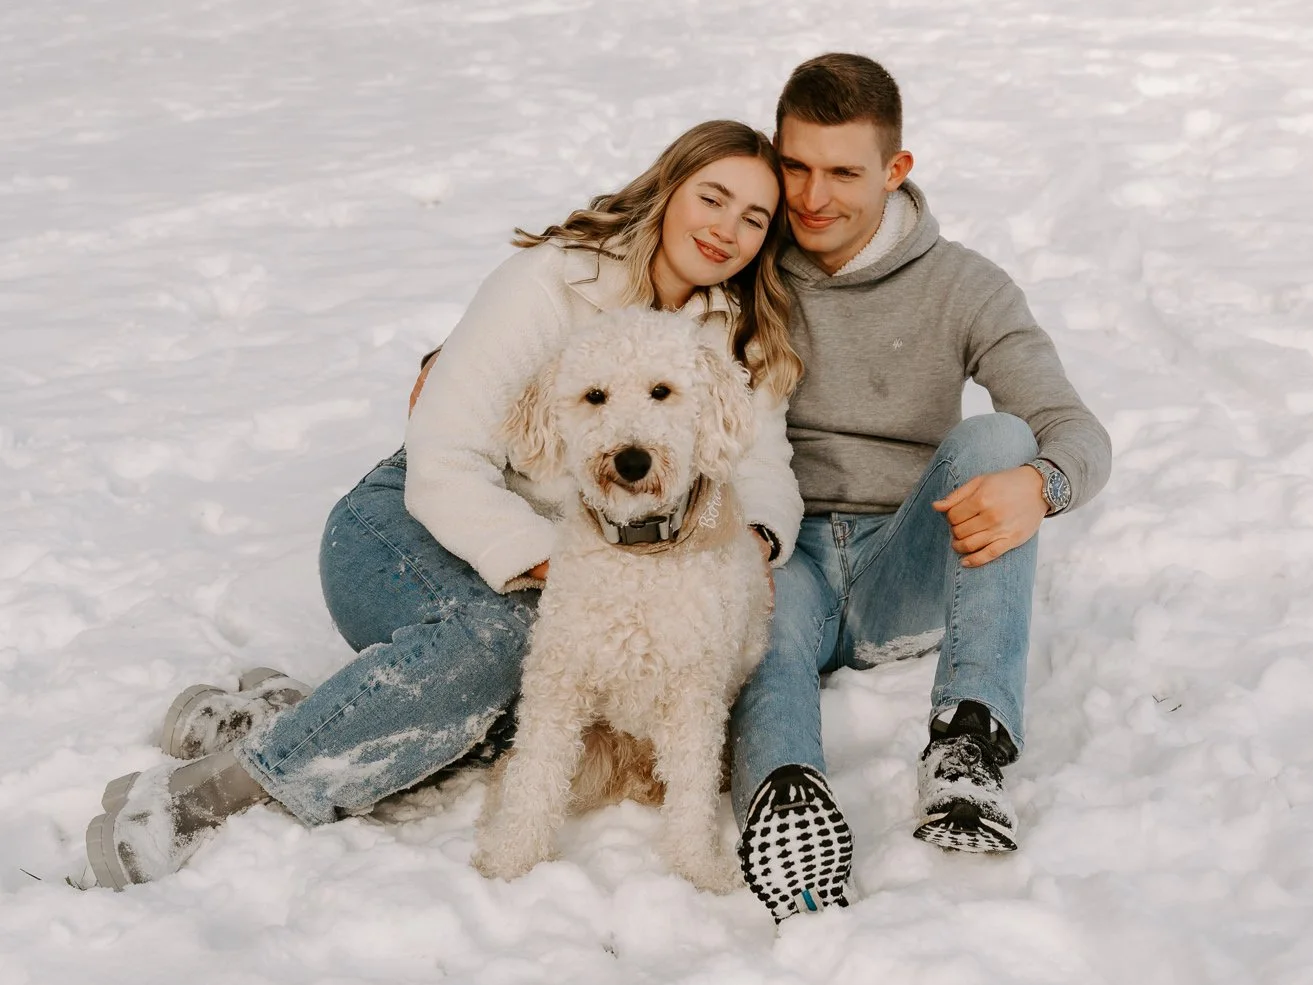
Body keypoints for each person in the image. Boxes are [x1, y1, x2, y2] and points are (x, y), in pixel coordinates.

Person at [86, 122, 804, 888]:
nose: (726, 229)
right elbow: (444, 461)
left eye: (753, 218)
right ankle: (208, 796)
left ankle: (267, 718)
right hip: (404, 523)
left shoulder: (732, 335)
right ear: (668, 189)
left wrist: (752, 540)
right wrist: (579, 570)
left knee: (552, 713)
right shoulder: (552, 279)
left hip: (589, 555)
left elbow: (760, 467)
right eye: (712, 198)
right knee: (508, 647)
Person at [731, 53, 1111, 922]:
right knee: (756, 622)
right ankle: (785, 800)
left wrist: (1038, 485)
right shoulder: (743, 264)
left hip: (906, 554)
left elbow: (1075, 430)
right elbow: (611, 301)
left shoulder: (963, 286)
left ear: (896, 170)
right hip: (778, 548)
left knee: (1000, 439)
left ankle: (966, 747)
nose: (812, 197)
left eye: (842, 172)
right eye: (794, 167)